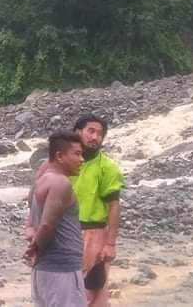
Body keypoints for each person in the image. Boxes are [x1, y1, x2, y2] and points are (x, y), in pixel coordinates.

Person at [25, 132, 86, 307]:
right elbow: (46, 225)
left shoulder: (40, 179)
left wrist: (34, 245)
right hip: (62, 268)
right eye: (77, 154)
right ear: (59, 156)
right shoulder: (61, 183)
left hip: (44, 269)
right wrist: (36, 250)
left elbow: (32, 213)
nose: (82, 159)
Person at [71, 114, 123, 307]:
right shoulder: (65, 163)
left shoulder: (107, 167)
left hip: (93, 234)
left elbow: (114, 205)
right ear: (78, 132)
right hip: (64, 232)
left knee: (93, 289)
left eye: (100, 134)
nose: (95, 137)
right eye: (90, 131)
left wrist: (110, 243)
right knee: (64, 287)